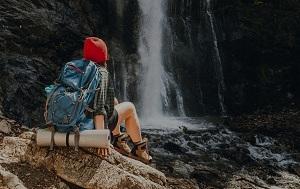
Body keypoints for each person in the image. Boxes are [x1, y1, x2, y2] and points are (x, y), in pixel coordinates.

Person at [83, 37, 152, 164]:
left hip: (76, 120)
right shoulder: (101, 72)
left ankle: (119, 140)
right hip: (90, 125)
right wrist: (101, 139)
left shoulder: (75, 68)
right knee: (130, 107)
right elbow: (99, 109)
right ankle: (139, 148)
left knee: (113, 101)